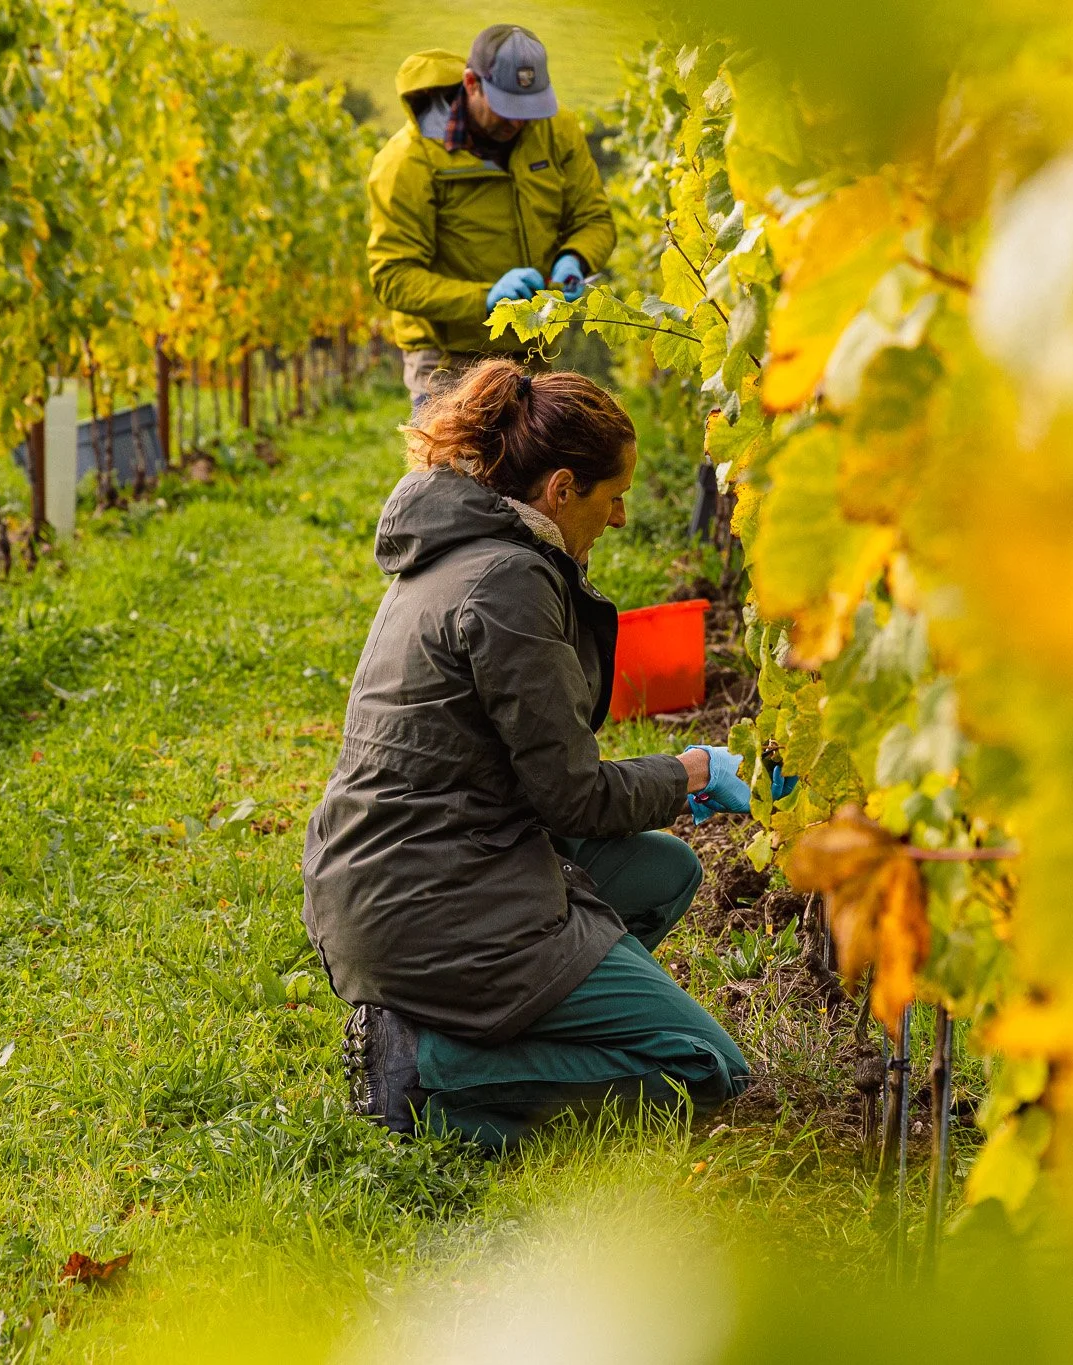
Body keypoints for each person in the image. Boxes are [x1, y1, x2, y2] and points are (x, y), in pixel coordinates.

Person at [301, 360, 752, 1151]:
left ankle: (476, 1028)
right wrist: (694, 770)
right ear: (562, 490)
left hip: (419, 868)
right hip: (430, 902)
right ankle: (428, 1071)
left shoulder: (464, 547)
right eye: (614, 498)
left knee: (666, 872)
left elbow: (544, 772)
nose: (619, 520)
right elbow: (574, 798)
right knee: (702, 1067)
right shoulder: (506, 581)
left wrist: (680, 778)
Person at [367, 25, 614, 416]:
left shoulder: (557, 130)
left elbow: (594, 218)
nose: (519, 123)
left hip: (531, 346)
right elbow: (392, 277)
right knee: (454, 476)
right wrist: (484, 298)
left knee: (527, 475)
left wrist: (576, 259)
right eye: (508, 108)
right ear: (472, 84)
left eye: (529, 109)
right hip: (448, 360)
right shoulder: (407, 162)